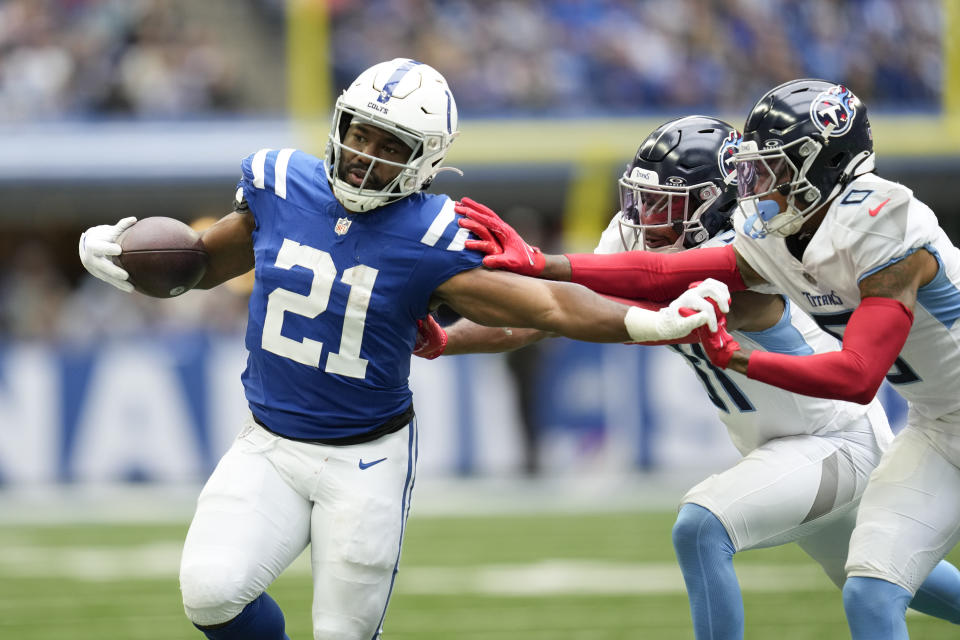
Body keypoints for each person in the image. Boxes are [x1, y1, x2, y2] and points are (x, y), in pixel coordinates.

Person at [77, 58, 728, 640]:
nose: (364, 154)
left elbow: (548, 305)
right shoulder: (282, 184)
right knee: (212, 594)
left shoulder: (434, 233)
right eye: (359, 132)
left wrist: (651, 323)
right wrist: (118, 253)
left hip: (364, 461)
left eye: (390, 145)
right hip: (268, 444)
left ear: (426, 159)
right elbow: (196, 267)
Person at [417, 114, 960, 639]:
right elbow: (549, 314)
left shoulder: (750, 253)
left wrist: (543, 269)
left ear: (715, 202)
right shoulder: (641, 242)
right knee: (879, 583)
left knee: (702, 526)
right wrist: (444, 339)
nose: (644, 217)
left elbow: (613, 299)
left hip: (833, 440)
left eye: (663, 204)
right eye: (641, 199)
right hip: (781, 446)